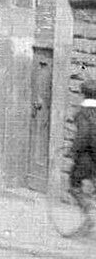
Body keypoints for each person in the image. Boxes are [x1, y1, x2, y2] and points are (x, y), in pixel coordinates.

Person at [68, 78, 96, 234]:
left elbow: (83, 135)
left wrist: (73, 151)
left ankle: (89, 213)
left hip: (87, 157)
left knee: (74, 185)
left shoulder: (83, 113)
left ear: (83, 94)